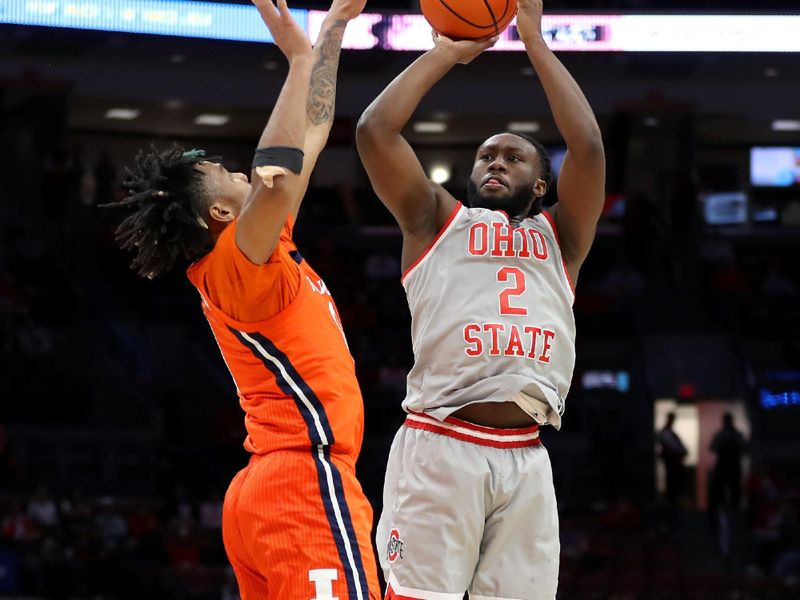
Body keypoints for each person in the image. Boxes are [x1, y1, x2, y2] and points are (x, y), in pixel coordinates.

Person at [103, 1, 380, 598]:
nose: (242, 174)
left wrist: (333, 27)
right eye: (229, 173)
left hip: (275, 487)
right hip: (302, 481)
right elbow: (277, 169)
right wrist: (298, 60)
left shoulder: (262, 248)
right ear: (221, 213)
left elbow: (310, 131)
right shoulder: (233, 265)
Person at [356, 0, 605, 597]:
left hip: (527, 454)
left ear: (542, 185)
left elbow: (589, 146)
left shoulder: (562, 238)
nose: (494, 160)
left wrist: (535, 44)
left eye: (513, 156)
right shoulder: (434, 220)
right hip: (441, 446)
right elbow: (373, 131)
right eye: (485, 156)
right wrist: (446, 51)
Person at [709, 412, 747, 511]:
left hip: (733, 464)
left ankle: (734, 506)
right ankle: (721, 506)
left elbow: (744, 448)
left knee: (735, 487)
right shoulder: (720, 435)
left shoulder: (737, 434)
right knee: (720, 487)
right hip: (723, 464)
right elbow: (712, 447)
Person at [657, 412, 688, 506]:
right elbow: (673, 447)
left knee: (674, 483)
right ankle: (671, 503)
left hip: (674, 461)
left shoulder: (668, 432)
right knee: (672, 483)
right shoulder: (666, 432)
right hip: (672, 462)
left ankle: (672, 502)